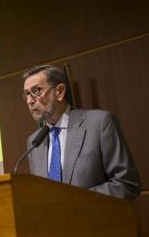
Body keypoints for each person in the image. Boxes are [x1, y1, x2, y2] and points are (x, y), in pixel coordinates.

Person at [22, 64, 140, 200]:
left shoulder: (99, 123)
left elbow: (126, 184)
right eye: (27, 95)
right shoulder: (34, 141)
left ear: (59, 92)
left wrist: (76, 200)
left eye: (36, 91)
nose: (30, 101)